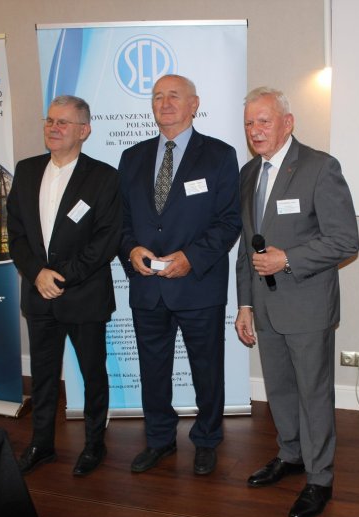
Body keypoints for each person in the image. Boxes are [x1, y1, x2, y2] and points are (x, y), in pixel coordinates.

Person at [234, 87, 359, 517]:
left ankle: (320, 478)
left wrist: (288, 259)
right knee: (280, 390)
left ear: (287, 123)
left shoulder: (320, 167)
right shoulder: (248, 173)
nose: (255, 130)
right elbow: (245, 247)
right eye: (249, 123)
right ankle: (291, 455)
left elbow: (345, 241)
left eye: (264, 121)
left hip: (307, 306)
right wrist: (245, 305)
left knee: (313, 394)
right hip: (265, 309)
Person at [118, 74, 241, 476]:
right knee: (153, 370)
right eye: (158, 96)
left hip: (198, 285)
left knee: (207, 369)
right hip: (147, 287)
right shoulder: (132, 157)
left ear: (194, 104)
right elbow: (121, 221)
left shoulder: (219, 155)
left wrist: (191, 257)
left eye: (174, 96)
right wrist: (130, 249)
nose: (165, 103)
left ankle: (206, 440)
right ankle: (159, 439)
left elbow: (229, 221)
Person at [7, 95, 121, 477]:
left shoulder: (104, 177)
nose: (53, 128)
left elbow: (106, 240)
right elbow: (15, 234)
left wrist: (61, 276)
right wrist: (37, 273)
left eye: (63, 123)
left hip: (84, 296)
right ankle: (41, 444)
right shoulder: (26, 171)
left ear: (84, 131)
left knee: (93, 374)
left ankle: (94, 444)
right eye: (50, 121)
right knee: (42, 376)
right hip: (39, 295)